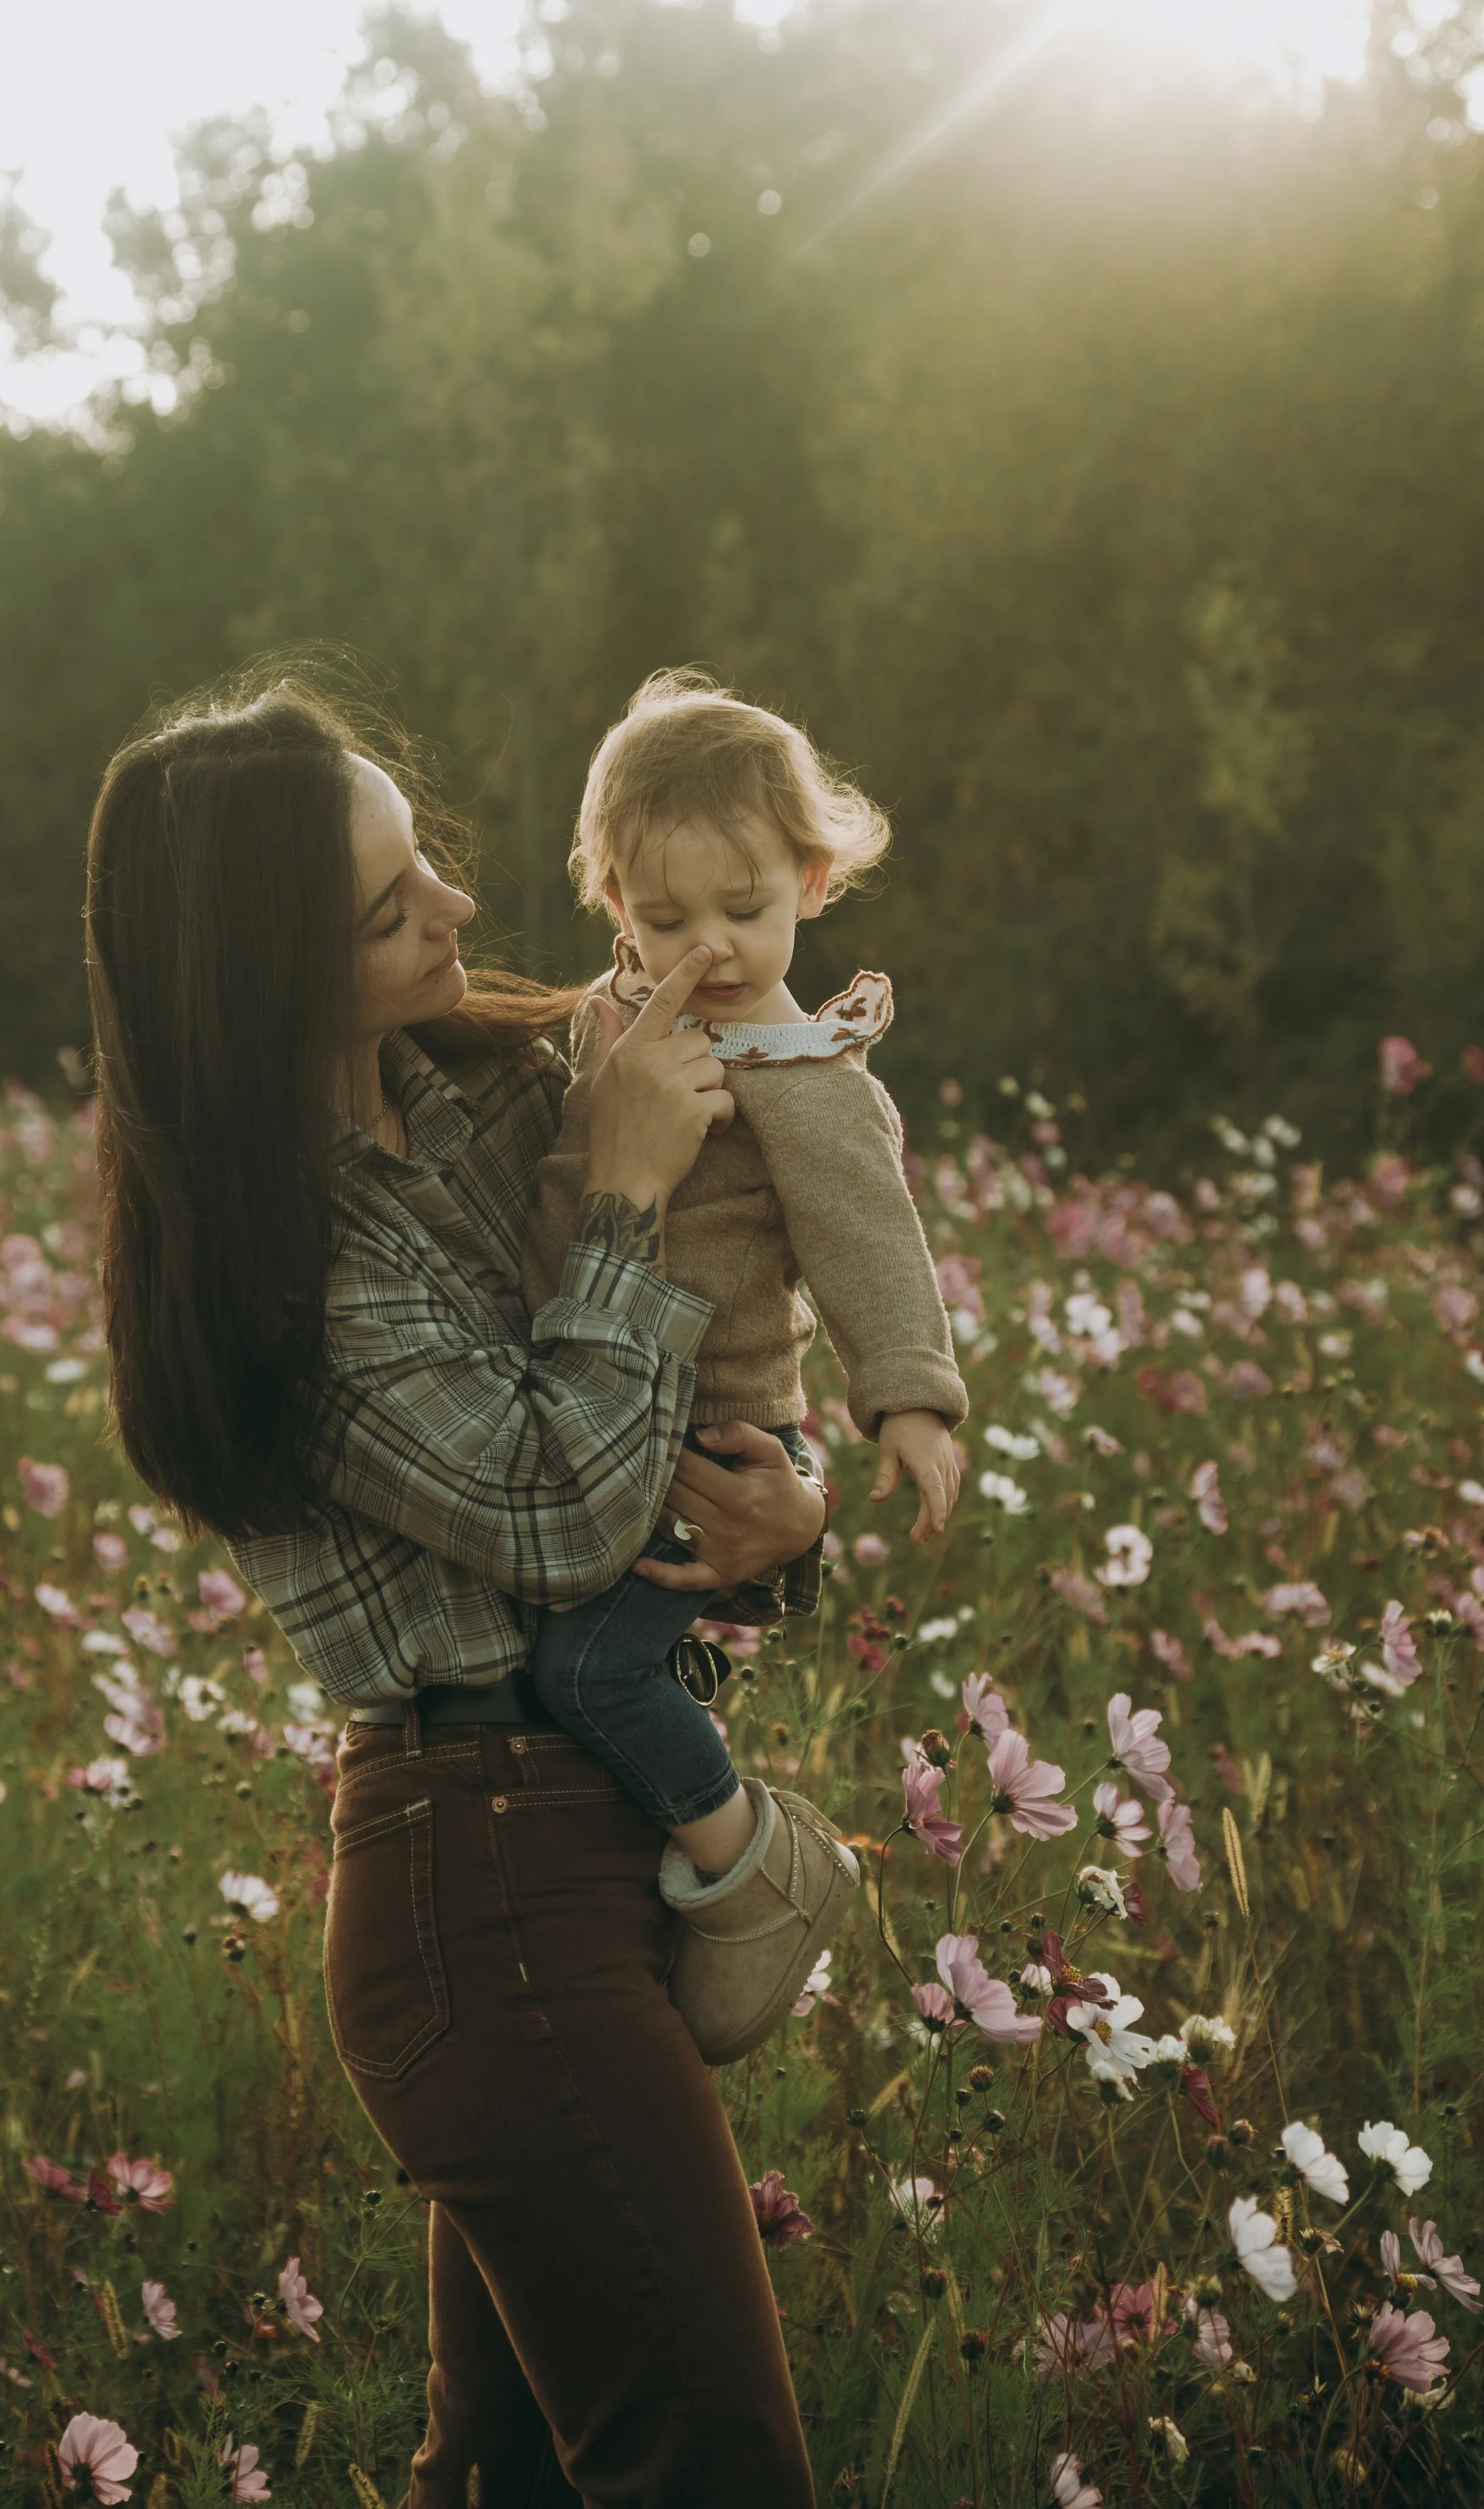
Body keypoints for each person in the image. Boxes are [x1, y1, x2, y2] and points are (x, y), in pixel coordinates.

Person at [85, 668, 830, 2508]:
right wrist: (633, 1194)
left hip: (584, 1835)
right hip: (478, 1883)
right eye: (388, 903)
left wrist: (787, 1509)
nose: (457, 910)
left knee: (507, 2477)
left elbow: (717, 1344)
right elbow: (558, 1506)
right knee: (705, 2461)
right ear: (268, 974)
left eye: (422, 857)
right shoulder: (286, 1265)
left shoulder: (491, 1090)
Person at [520, 671, 967, 2065]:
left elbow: (864, 1234)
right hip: (588, 1405)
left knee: (586, 1679)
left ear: (812, 883)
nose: (706, 948)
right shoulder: (595, 1026)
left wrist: (905, 1394)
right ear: (611, 902)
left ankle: (756, 1870)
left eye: (744, 909)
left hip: (720, 1437)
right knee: (556, 1662)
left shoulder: (797, 1065)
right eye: (663, 920)